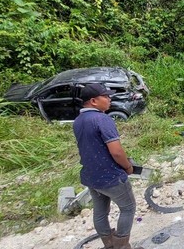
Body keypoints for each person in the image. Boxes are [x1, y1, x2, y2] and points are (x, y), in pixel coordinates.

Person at [73, 83, 138, 249]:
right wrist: (128, 167)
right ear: (94, 101)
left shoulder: (78, 120)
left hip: (91, 176)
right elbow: (116, 152)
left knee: (100, 212)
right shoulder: (102, 119)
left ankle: (109, 245)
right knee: (128, 208)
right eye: (106, 96)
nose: (110, 99)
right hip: (110, 176)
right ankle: (121, 246)